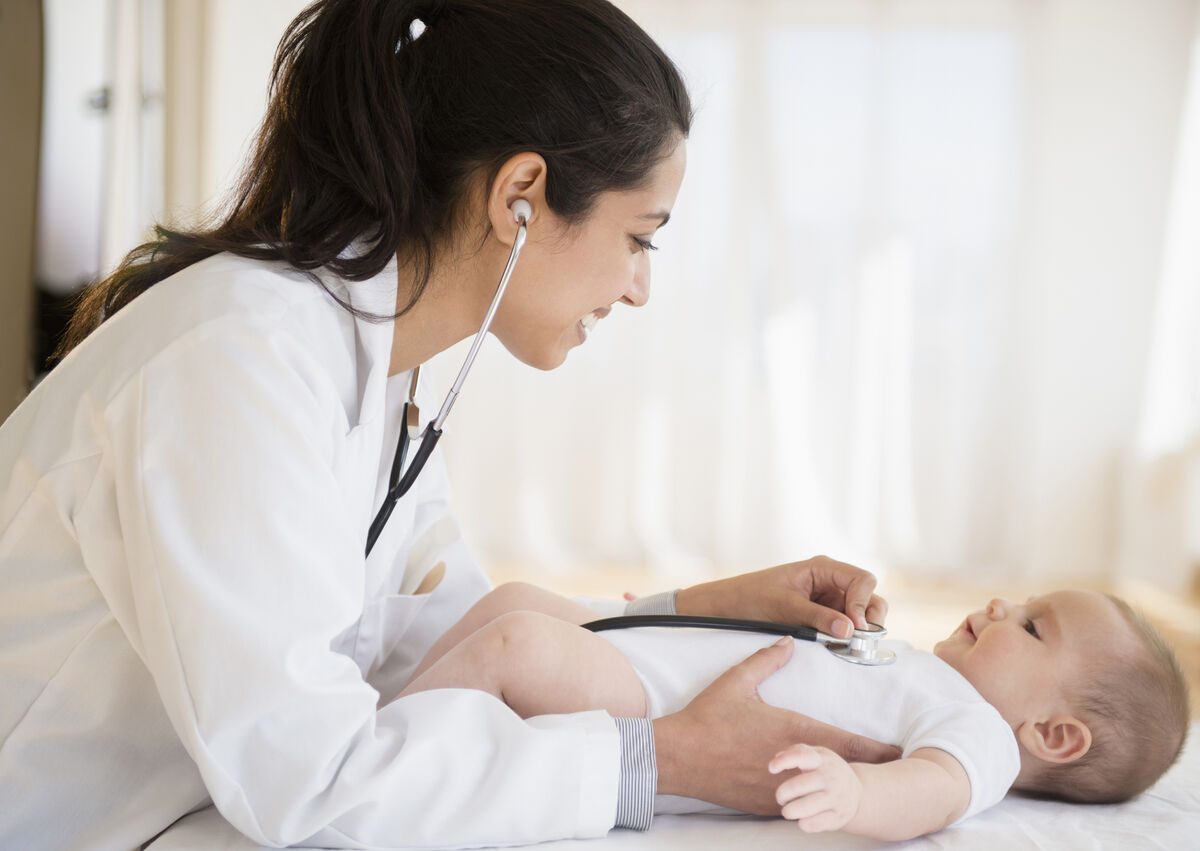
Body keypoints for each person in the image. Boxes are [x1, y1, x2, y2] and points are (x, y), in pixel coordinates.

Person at [0, 1, 899, 849]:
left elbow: (464, 632)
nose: (638, 288)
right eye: (640, 237)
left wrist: (704, 611)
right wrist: (657, 760)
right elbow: (310, 781)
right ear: (521, 193)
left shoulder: (371, 366)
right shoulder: (238, 362)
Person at [397, 581, 1191, 842]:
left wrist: (858, 794)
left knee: (517, 643)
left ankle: (381, 743)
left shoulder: (981, 732)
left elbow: (940, 788)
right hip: (646, 658)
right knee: (517, 601)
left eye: (1031, 624)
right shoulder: (921, 668)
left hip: (652, 703)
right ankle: (395, 706)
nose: (1000, 602)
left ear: (1053, 734)